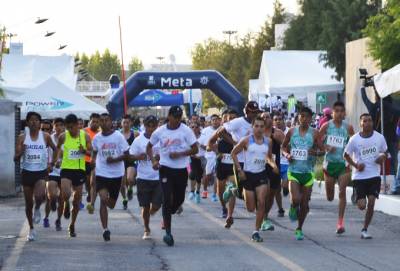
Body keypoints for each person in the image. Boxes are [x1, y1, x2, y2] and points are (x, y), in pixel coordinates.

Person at [146, 105, 198, 246]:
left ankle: (169, 212)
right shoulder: (160, 131)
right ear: (169, 116)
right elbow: (149, 147)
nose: (177, 120)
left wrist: (180, 154)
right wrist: (153, 162)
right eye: (174, 117)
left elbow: (195, 148)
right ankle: (168, 233)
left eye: (179, 117)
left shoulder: (186, 131)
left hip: (181, 170)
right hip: (165, 168)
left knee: (179, 198)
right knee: (167, 198)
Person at [231, 116, 278, 242]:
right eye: (256, 126)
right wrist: (239, 170)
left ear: (264, 128)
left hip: (261, 175)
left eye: (261, 126)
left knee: (262, 202)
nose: (259, 129)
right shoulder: (246, 140)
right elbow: (233, 153)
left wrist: (273, 165)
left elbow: (268, 157)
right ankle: (236, 191)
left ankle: (256, 231)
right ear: (252, 127)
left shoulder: (268, 141)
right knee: (250, 208)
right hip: (248, 175)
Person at [14, 112, 57, 241]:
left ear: (40, 123)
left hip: (41, 172)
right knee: (28, 204)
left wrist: (52, 163)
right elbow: (15, 158)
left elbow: (56, 149)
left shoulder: (46, 136)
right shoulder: (22, 137)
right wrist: (23, 150)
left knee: (39, 196)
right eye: (31, 120)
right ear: (27, 123)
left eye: (36, 120)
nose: (34, 122)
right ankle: (31, 229)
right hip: (27, 172)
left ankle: (38, 208)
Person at [344, 113, 387, 239]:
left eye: (370, 120)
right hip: (359, 177)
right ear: (360, 124)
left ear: (373, 123)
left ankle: (365, 229)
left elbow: (384, 152)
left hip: (374, 175)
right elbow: (346, 155)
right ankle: (356, 196)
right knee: (362, 206)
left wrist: (382, 157)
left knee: (372, 201)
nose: (368, 123)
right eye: (365, 121)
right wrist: (356, 165)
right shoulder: (354, 139)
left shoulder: (379, 138)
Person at [282, 107, 320, 241]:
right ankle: (293, 207)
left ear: (310, 119)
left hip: (308, 172)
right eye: (301, 116)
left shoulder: (315, 133)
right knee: (296, 200)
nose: (304, 119)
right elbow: (283, 147)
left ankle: (299, 228)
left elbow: (322, 150)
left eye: (307, 117)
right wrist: (286, 154)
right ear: (298, 117)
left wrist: (314, 153)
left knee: (304, 205)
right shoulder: (292, 132)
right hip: (294, 171)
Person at [91, 113, 130, 241]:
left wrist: (114, 160)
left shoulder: (118, 136)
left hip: (116, 174)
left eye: (106, 120)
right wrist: (92, 161)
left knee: (111, 204)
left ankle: (110, 205)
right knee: (102, 198)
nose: (103, 123)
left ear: (111, 122)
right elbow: (94, 151)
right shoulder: (96, 138)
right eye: (101, 121)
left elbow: (126, 155)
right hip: (102, 173)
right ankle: (105, 229)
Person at [319, 101, 355, 234]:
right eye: (337, 111)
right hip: (329, 164)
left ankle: (340, 223)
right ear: (333, 113)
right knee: (330, 196)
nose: (339, 114)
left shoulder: (348, 127)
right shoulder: (326, 126)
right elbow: (318, 140)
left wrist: (352, 157)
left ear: (344, 113)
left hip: (343, 164)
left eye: (342, 111)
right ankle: (330, 194)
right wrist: (326, 147)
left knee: (342, 192)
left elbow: (354, 143)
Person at [56, 114, 92, 237]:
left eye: (72, 127)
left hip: (79, 170)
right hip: (66, 168)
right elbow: (57, 149)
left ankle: (72, 224)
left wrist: (84, 151)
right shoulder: (63, 136)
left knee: (76, 201)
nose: (70, 130)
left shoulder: (85, 136)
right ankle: (66, 203)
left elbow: (91, 152)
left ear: (77, 125)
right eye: (68, 128)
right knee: (65, 194)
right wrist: (56, 160)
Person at [129, 115, 162, 240]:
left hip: (158, 177)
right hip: (143, 177)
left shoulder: (161, 139)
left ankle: (153, 212)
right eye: (149, 125)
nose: (151, 128)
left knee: (157, 205)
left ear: (157, 125)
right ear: (145, 125)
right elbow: (130, 156)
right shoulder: (138, 140)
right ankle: (146, 228)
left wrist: (160, 157)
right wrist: (138, 157)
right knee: (145, 206)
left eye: (154, 125)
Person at [208, 109, 238, 228]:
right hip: (222, 164)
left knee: (232, 189)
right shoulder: (220, 131)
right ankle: (223, 207)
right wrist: (217, 152)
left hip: (233, 165)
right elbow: (208, 145)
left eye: (233, 118)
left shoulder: (239, 131)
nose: (230, 120)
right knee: (220, 192)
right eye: (228, 118)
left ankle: (230, 215)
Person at [260, 112, 285, 232]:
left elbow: (286, 147)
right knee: (264, 191)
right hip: (260, 166)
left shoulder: (277, 133)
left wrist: (281, 143)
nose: (265, 119)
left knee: (271, 194)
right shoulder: (256, 132)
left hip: (275, 167)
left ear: (271, 120)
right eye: (263, 117)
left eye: (267, 117)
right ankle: (263, 218)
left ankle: (265, 215)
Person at [43, 118, 65, 231]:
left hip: (65, 172)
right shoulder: (49, 138)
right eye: (57, 125)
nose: (59, 127)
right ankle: (46, 217)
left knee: (62, 198)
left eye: (61, 125)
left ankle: (58, 220)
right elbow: (45, 153)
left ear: (64, 126)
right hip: (52, 171)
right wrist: (49, 164)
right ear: (53, 126)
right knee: (51, 196)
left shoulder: (68, 139)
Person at [199, 114, 221, 202]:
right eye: (213, 120)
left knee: (217, 175)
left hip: (220, 155)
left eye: (216, 119)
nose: (215, 121)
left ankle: (215, 194)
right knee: (207, 175)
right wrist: (211, 148)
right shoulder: (205, 130)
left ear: (219, 120)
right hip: (209, 156)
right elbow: (201, 144)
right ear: (210, 121)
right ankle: (204, 190)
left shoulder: (223, 129)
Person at [84, 113, 100, 213]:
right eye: (93, 121)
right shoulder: (84, 132)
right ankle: (89, 194)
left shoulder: (101, 133)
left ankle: (92, 203)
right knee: (87, 181)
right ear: (89, 121)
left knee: (93, 182)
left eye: (97, 122)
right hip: (84, 160)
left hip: (96, 162)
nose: (95, 123)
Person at [120, 115, 136, 210]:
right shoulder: (117, 134)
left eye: (127, 122)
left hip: (131, 160)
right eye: (124, 122)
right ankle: (124, 198)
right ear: (121, 124)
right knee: (121, 184)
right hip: (120, 161)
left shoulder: (136, 134)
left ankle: (130, 189)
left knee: (130, 179)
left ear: (130, 123)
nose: (126, 124)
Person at [188, 121, 206, 204]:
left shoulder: (203, 136)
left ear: (199, 128)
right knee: (192, 175)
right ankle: (192, 191)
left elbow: (207, 148)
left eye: (196, 127)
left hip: (201, 158)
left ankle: (198, 192)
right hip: (192, 158)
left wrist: (199, 144)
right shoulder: (189, 137)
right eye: (192, 127)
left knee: (199, 177)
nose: (194, 128)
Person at [273, 113, 290, 197]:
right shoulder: (271, 132)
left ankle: (286, 188)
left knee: (285, 185)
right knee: (276, 188)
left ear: (284, 120)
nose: (278, 121)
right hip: (275, 162)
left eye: (280, 119)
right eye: (275, 120)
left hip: (286, 162)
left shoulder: (289, 131)